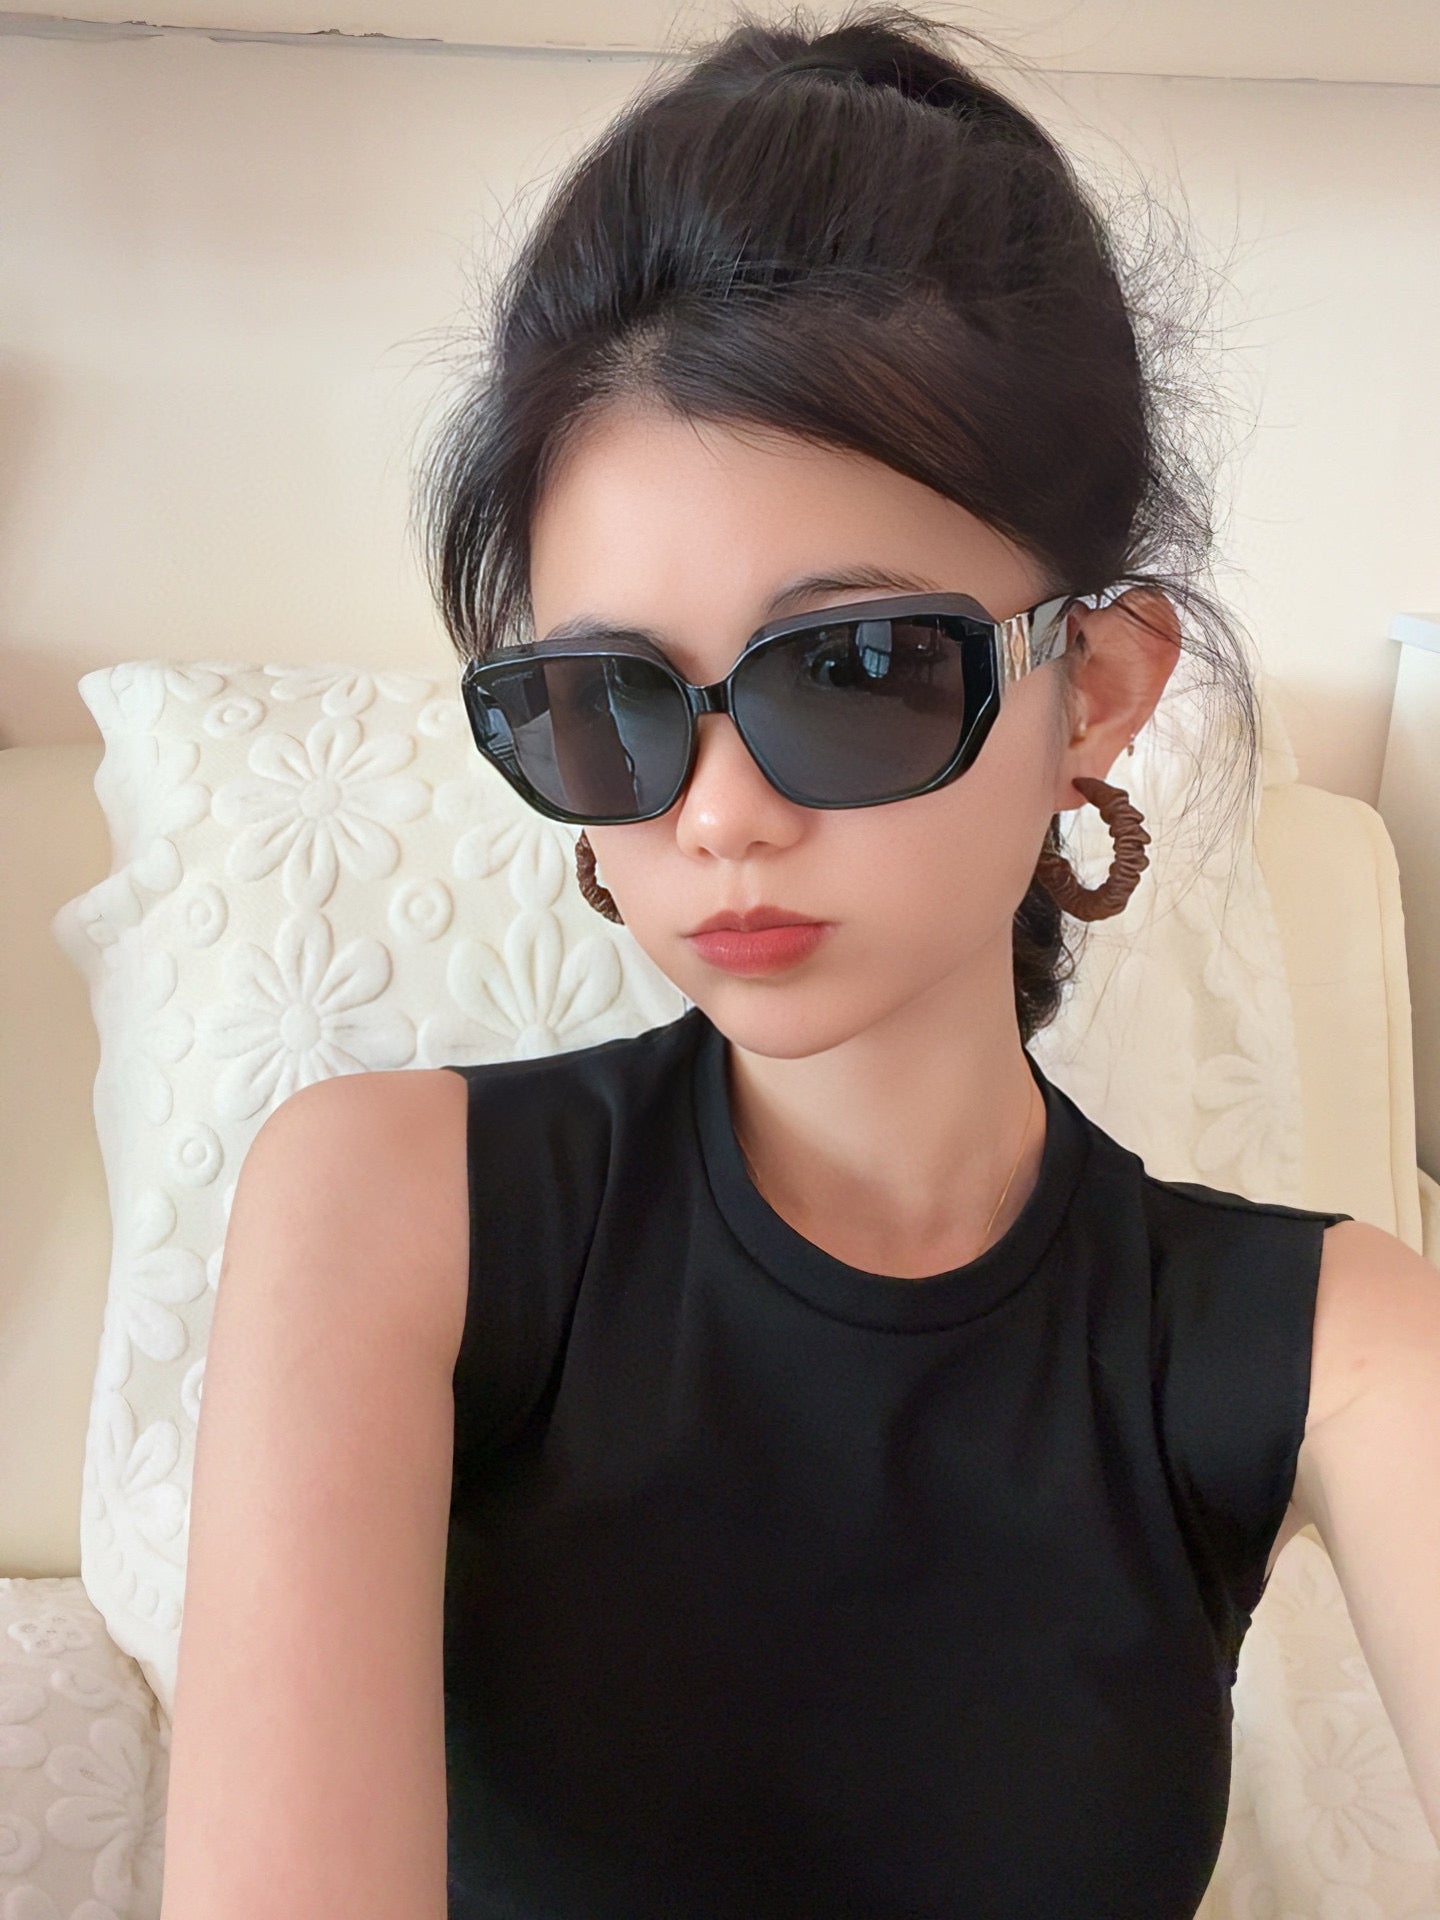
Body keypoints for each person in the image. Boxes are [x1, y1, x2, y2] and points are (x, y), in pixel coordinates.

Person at [156, 8, 1440, 1919]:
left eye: (855, 668)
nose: (720, 813)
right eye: (612, 701)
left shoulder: (1332, 1338)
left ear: (1096, 687)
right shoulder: (389, 1206)